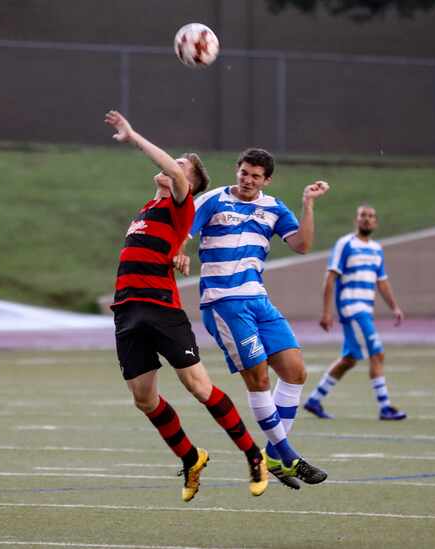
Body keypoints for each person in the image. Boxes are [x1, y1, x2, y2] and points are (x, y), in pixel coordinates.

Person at [104, 111, 268, 502]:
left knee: (198, 386)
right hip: (127, 312)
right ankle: (192, 458)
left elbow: (176, 177)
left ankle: (253, 454)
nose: (172, 165)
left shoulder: (181, 204)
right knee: (143, 399)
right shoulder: (146, 209)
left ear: (188, 184)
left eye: (180, 165)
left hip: (161, 309)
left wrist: (133, 136)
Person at [183, 148, 329, 490]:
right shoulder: (212, 200)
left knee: (295, 371)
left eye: (256, 176)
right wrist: (178, 251)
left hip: (259, 301)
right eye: (244, 172)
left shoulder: (274, 208)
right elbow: (185, 232)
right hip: (224, 302)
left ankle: (276, 455)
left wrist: (308, 203)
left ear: (267, 180)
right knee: (259, 377)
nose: (248, 180)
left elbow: (303, 245)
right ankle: (287, 454)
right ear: (237, 170)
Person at [304, 205, 406, 421]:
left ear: (376, 222)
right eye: (363, 216)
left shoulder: (377, 249)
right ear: (356, 220)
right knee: (377, 353)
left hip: (365, 310)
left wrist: (394, 307)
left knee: (349, 359)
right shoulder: (345, 244)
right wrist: (326, 312)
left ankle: (314, 400)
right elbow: (330, 278)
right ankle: (385, 406)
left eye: (371, 217)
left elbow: (382, 282)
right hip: (352, 308)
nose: (367, 220)